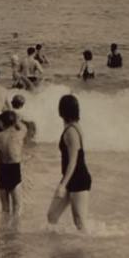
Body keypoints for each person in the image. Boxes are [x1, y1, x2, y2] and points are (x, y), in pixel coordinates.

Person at [47, 95, 91, 231]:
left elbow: (73, 161)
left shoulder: (71, 131)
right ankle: (56, 247)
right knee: (52, 215)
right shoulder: (74, 127)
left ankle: (86, 250)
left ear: (62, 111)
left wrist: (62, 185)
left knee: (80, 222)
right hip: (73, 177)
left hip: (78, 178)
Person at [0, 110, 27, 216]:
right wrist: (17, 120)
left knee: (5, 208)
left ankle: (3, 230)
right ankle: (14, 231)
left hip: (1, 171)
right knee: (17, 206)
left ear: (1, 123)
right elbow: (23, 127)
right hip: (14, 171)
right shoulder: (19, 134)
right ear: (13, 122)